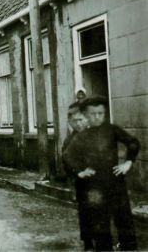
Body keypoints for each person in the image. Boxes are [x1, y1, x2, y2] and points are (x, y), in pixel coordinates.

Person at [63, 96, 140, 251]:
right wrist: (79, 172)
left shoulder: (112, 130)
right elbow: (67, 156)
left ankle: (129, 247)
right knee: (100, 223)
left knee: (124, 219)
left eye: (100, 113)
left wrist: (128, 162)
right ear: (86, 115)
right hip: (94, 186)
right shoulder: (81, 136)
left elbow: (133, 143)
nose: (97, 117)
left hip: (115, 181)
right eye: (93, 114)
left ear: (105, 113)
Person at [62, 102, 92, 250]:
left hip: (99, 180)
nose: (79, 123)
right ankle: (88, 243)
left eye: (82, 119)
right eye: (75, 121)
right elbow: (66, 160)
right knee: (86, 212)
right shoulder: (70, 140)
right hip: (83, 182)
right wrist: (77, 173)